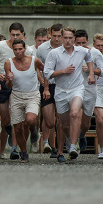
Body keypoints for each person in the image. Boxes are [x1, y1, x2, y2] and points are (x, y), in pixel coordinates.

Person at [43, 27, 95, 162]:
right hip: (60, 90)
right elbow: (47, 73)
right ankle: (67, 141)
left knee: (75, 113)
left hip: (77, 88)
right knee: (63, 125)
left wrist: (91, 73)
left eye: (70, 38)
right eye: (65, 38)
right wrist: (63, 71)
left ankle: (72, 146)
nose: (67, 41)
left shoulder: (82, 51)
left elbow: (89, 57)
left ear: (74, 39)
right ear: (61, 38)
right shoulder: (54, 53)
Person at [0, 23, 33, 160]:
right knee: (5, 119)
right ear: (9, 34)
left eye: (18, 35)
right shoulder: (0, 46)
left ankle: (15, 148)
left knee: (18, 119)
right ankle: (8, 128)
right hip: (3, 83)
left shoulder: (27, 50)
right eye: (13, 34)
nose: (15, 37)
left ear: (23, 35)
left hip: (18, 85)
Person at [4, 39, 45, 163]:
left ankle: (33, 129)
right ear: (12, 50)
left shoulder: (34, 60)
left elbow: (46, 71)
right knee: (17, 128)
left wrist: (46, 88)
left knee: (30, 119)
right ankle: (24, 152)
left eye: (20, 49)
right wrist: (9, 79)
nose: (18, 52)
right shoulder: (9, 63)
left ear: (24, 49)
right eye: (15, 49)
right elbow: (8, 86)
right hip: (16, 95)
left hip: (32, 94)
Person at [74, 29, 103, 153]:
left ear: (87, 41)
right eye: (78, 43)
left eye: (83, 43)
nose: (81, 46)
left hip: (89, 89)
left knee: (86, 122)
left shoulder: (95, 53)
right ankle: (73, 142)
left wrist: (91, 70)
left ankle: (82, 135)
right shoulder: (70, 52)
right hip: (74, 89)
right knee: (74, 114)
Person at [36, 24, 63, 157]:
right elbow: (38, 65)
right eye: (54, 35)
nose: (57, 38)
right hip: (47, 84)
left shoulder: (67, 47)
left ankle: (57, 148)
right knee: (50, 121)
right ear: (50, 34)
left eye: (59, 36)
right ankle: (50, 144)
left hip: (62, 85)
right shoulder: (42, 48)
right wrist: (40, 79)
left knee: (60, 118)